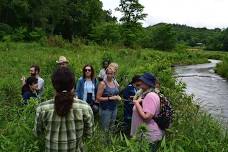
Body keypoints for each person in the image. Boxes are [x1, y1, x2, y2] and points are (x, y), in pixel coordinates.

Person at [34, 67, 94, 152]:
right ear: (73, 85)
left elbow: (38, 133)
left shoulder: (42, 108)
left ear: (54, 85)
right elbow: (89, 134)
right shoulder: (85, 107)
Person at [131, 73, 164, 152]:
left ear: (148, 83)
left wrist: (136, 104)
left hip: (149, 136)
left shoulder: (150, 96)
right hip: (145, 136)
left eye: (143, 80)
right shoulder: (146, 94)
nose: (140, 82)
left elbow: (147, 117)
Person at [96, 66, 121, 132]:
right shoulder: (102, 84)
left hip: (114, 108)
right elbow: (98, 98)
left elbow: (116, 93)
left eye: (111, 73)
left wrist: (118, 97)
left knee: (112, 126)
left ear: (114, 74)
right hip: (105, 109)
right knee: (104, 128)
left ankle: (110, 141)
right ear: (106, 74)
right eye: (108, 73)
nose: (109, 75)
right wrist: (110, 98)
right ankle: (103, 141)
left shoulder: (115, 82)